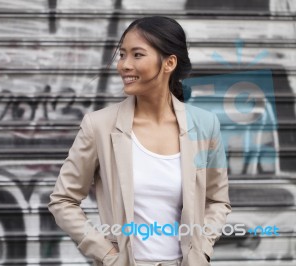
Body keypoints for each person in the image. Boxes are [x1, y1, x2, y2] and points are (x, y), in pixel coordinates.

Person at [48, 16, 231, 266]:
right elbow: (63, 200)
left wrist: (201, 249)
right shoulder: (99, 125)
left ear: (169, 63)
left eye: (137, 55)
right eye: (122, 55)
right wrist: (107, 255)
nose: (124, 65)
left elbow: (217, 200)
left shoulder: (205, 126)